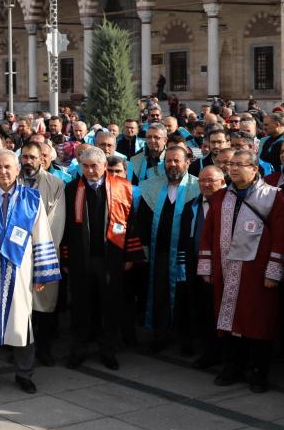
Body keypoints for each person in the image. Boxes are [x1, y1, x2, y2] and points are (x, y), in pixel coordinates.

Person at [0, 150, 60, 394]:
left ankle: (24, 373)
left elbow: (42, 239)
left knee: (21, 323)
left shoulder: (31, 199)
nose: (3, 172)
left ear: (17, 169)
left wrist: (41, 274)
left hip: (21, 273)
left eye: (8, 167)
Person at [199, 149, 284, 393]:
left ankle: (259, 372)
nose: (234, 168)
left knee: (258, 322)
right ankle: (232, 367)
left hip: (256, 272)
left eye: (240, 164)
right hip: (225, 270)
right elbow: (207, 234)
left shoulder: (273, 196)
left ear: (254, 169)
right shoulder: (219, 197)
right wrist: (206, 266)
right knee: (228, 321)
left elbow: (281, 237)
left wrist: (273, 271)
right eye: (231, 164)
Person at [61, 147, 143, 370]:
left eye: (94, 166)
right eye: (85, 166)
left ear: (104, 165)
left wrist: (129, 255)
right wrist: (66, 258)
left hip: (111, 257)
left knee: (110, 306)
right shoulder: (71, 189)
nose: (89, 171)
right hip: (81, 259)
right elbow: (66, 228)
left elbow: (131, 224)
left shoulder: (122, 187)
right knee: (80, 307)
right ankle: (78, 350)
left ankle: (108, 351)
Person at [137, 146, 202, 353]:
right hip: (160, 253)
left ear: (187, 162)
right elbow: (143, 222)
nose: (172, 165)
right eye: (169, 161)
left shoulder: (198, 187)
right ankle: (160, 336)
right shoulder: (151, 187)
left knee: (186, 298)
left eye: (177, 161)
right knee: (159, 295)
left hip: (187, 256)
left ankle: (187, 340)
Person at [17, 141, 67, 366]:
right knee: (20, 304)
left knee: (45, 305)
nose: (28, 161)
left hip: (44, 254)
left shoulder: (55, 184)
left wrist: (42, 252)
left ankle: (44, 348)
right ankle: (19, 346)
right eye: (24, 157)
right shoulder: (12, 181)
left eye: (32, 157)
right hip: (16, 253)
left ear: (42, 159)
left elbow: (56, 222)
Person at [184, 166, 227, 369]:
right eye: (202, 181)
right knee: (203, 311)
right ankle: (209, 352)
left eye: (211, 180)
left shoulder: (229, 203)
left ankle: (226, 354)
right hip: (198, 266)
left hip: (223, 268)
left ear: (223, 181)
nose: (206, 185)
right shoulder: (192, 205)